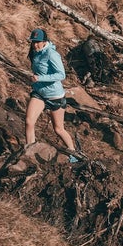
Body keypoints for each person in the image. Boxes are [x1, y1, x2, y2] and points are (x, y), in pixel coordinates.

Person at [25, 28, 79, 163]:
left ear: (44, 41)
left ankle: (73, 153)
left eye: (38, 42)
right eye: (33, 42)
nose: (35, 45)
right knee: (29, 122)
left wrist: (41, 78)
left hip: (55, 97)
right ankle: (29, 153)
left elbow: (61, 75)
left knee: (58, 129)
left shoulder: (52, 54)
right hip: (39, 94)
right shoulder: (35, 52)